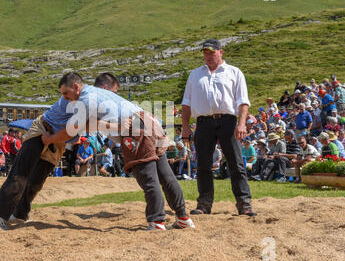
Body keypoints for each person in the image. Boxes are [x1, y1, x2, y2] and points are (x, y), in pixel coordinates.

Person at [39, 72, 195, 230]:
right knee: (165, 175)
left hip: (135, 127)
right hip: (149, 120)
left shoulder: (85, 99)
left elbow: (73, 128)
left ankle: (157, 221)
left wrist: (50, 139)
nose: (65, 98)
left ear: (76, 87)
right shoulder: (98, 93)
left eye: (66, 93)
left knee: (148, 178)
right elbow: (87, 124)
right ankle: (183, 217)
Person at [181, 39, 256, 216]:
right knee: (203, 165)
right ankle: (204, 204)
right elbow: (186, 103)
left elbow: (243, 101)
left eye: (211, 52)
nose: (208, 55)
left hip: (228, 121)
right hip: (203, 122)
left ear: (220, 52)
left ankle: (244, 204)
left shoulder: (234, 72)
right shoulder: (195, 75)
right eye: (205, 52)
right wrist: (185, 127)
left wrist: (242, 123)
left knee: (236, 163)